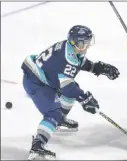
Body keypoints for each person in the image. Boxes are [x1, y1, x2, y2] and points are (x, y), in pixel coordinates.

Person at [21, 25, 120, 160]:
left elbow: (80, 63)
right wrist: (84, 98)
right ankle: (37, 146)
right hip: (36, 82)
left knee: (72, 91)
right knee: (53, 113)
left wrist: (98, 68)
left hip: (44, 77)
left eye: (88, 42)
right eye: (84, 43)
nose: (87, 46)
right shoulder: (66, 58)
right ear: (76, 43)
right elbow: (68, 87)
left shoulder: (69, 48)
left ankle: (60, 119)